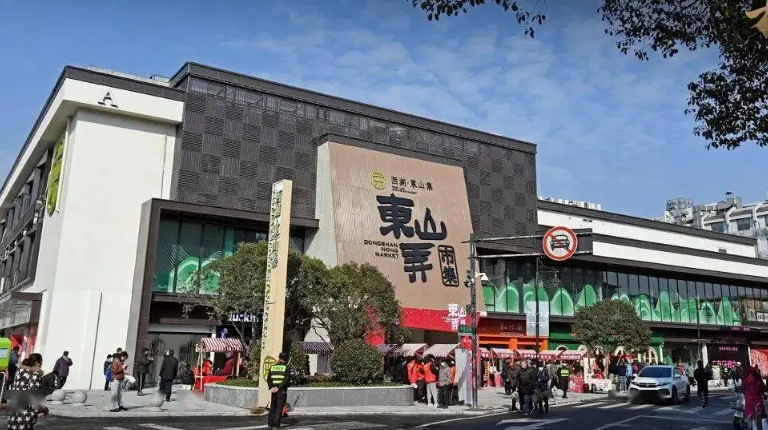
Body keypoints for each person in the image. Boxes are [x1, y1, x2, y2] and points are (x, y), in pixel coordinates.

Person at [7, 353, 48, 430]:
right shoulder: (34, 375)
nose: (41, 364)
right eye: (41, 362)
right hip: (26, 411)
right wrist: (42, 409)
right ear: (37, 363)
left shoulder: (19, 372)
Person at [267, 352, 290, 429]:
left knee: (273, 407)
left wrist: (271, 387)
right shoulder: (286, 368)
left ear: (279, 358)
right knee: (279, 408)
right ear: (286, 359)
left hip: (273, 390)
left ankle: (270, 423)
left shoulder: (273, 367)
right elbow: (286, 380)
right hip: (281, 390)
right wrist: (279, 387)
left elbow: (269, 379)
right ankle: (276, 425)